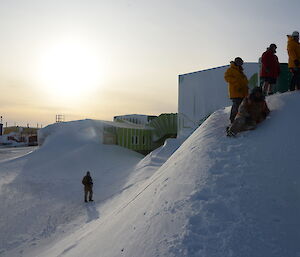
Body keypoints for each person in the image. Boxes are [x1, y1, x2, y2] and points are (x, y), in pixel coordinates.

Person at [224, 57, 249, 124]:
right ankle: (232, 120)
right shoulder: (231, 69)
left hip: (243, 92)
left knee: (242, 106)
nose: (240, 63)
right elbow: (226, 78)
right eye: (239, 62)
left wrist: (246, 87)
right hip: (235, 91)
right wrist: (236, 83)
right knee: (236, 105)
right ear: (236, 62)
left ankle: (240, 119)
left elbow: (244, 81)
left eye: (241, 62)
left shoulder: (241, 71)